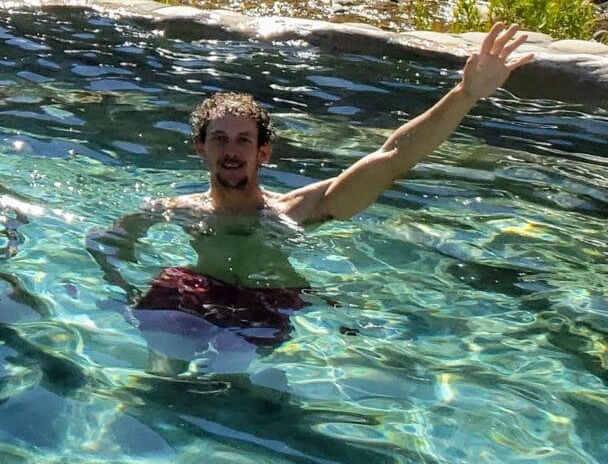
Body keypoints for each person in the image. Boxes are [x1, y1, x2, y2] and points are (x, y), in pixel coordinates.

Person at [89, 23, 533, 346]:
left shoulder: (298, 210)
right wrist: (124, 285)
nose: (231, 150)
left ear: (263, 153)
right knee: (163, 325)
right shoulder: (173, 209)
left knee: (231, 369)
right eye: (219, 139)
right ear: (200, 150)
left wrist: (465, 94)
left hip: (265, 302)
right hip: (197, 293)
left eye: (244, 140)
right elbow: (107, 241)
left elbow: (394, 156)